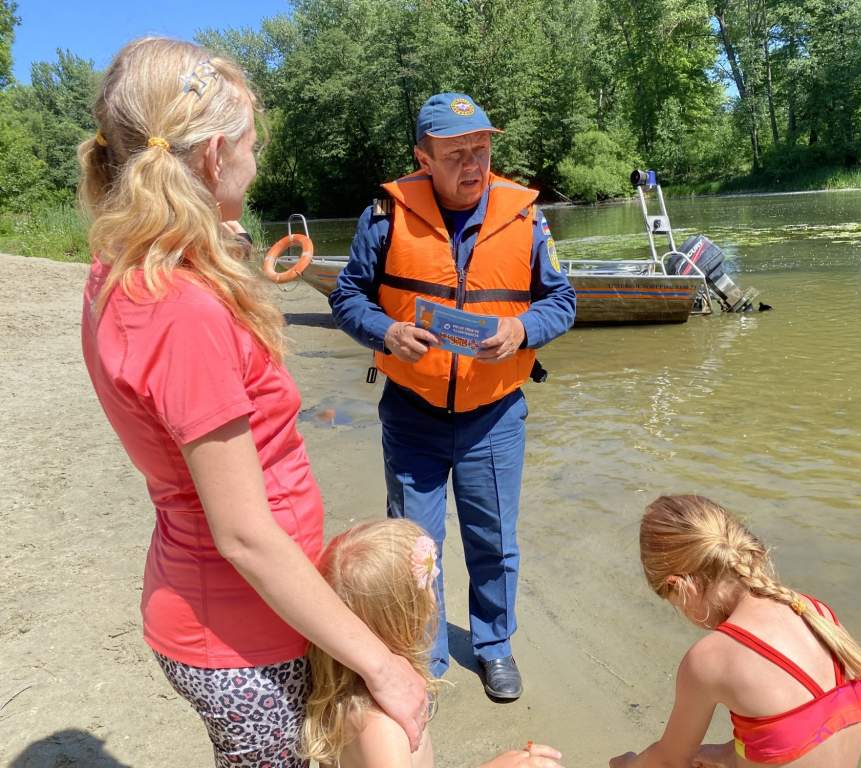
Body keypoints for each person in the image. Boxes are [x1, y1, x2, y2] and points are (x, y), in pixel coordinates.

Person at [78, 37, 427, 767]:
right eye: (251, 143)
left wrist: (214, 242)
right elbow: (244, 535)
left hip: (210, 600)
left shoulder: (128, 267)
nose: (257, 159)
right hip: (240, 631)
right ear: (212, 160)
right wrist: (385, 665)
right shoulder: (182, 310)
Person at [330, 92, 576, 699]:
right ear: (423, 158)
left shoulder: (526, 217)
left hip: (494, 416)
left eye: (482, 148)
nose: (474, 163)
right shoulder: (384, 217)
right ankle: (426, 652)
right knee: (415, 547)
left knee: (494, 541)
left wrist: (520, 329)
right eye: (457, 152)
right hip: (412, 415)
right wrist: (384, 331)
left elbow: (562, 301)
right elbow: (346, 296)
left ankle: (494, 646)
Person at [610, 496, 861, 768]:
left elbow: (669, 761)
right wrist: (729, 754)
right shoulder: (816, 613)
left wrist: (627, 764)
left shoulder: (710, 659)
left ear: (679, 585)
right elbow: (812, 729)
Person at [302, 519, 564, 768]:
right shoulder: (381, 728)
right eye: (428, 583)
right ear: (406, 616)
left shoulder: (357, 685)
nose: (433, 596)